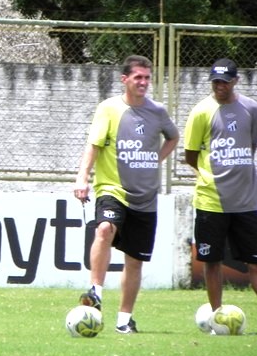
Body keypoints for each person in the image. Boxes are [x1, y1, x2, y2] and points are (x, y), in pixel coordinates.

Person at [73, 55, 179, 333]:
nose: (143, 83)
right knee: (104, 229)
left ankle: (123, 320)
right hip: (112, 188)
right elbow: (93, 146)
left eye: (147, 78)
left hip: (146, 197)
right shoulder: (108, 108)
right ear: (125, 80)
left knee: (134, 261)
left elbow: (174, 137)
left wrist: (156, 159)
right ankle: (95, 290)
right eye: (138, 78)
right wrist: (82, 177)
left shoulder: (157, 111)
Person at [184, 58, 257, 336]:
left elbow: (250, 147)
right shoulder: (201, 111)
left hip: (246, 201)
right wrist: (211, 176)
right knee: (212, 262)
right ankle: (218, 319)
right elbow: (190, 155)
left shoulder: (251, 108)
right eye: (215, 81)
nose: (220, 86)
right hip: (211, 201)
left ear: (235, 81)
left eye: (225, 82)